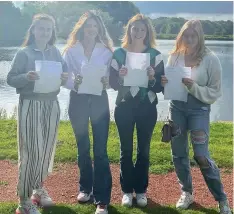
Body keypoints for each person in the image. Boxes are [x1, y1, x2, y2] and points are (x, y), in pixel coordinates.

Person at [161, 20, 232, 214]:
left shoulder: (211, 59)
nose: (190, 39)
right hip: (177, 108)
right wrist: (164, 82)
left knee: (201, 155)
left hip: (199, 110)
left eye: (193, 36)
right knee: (178, 153)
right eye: (186, 35)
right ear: (181, 36)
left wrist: (194, 87)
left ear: (200, 36)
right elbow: (167, 86)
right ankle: (187, 192)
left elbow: (215, 91)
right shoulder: (174, 57)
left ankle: (222, 198)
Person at [7, 14, 68, 214]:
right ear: (33, 30)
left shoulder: (56, 53)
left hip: (52, 105)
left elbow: (65, 76)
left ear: (52, 33)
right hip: (30, 105)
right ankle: (23, 201)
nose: (44, 32)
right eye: (41, 28)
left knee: (46, 152)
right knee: (31, 152)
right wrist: (27, 76)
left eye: (48, 29)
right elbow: (10, 78)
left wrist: (65, 77)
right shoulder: (24, 53)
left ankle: (37, 189)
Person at [109, 14, 164, 207]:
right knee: (126, 149)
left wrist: (151, 78)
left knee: (144, 150)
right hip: (124, 106)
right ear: (129, 30)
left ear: (147, 32)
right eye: (135, 28)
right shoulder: (118, 54)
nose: (138, 32)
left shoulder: (155, 56)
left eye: (142, 29)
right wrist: (121, 77)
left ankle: (140, 190)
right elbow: (112, 83)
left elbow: (159, 88)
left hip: (147, 107)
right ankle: (126, 190)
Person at [63, 10, 113, 214]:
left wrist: (106, 82)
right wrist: (73, 82)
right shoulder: (70, 50)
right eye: (88, 26)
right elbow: (64, 76)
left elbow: (111, 79)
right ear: (81, 28)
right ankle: (85, 188)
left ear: (99, 28)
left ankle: (102, 200)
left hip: (99, 100)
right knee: (83, 147)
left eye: (94, 26)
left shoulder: (107, 52)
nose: (91, 29)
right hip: (78, 99)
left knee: (100, 151)